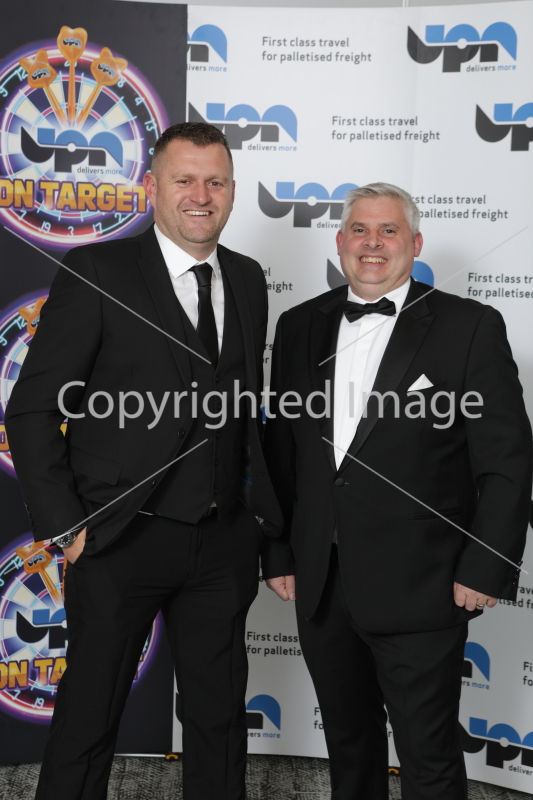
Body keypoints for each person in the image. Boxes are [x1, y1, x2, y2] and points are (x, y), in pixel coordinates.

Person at [5, 122, 282, 800]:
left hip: (222, 541)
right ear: (150, 187)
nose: (200, 195)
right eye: (184, 180)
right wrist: (69, 526)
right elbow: (32, 410)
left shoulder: (248, 278)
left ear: (233, 191)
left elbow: (247, 414)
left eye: (215, 182)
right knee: (89, 716)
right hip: (118, 538)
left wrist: (261, 527)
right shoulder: (97, 271)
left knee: (219, 720)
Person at [262, 183, 532, 800]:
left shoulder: (469, 327)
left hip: (424, 586)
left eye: (389, 231)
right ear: (340, 241)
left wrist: (486, 566)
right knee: (348, 748)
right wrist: (278, 551)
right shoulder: (299, 324)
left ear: (415, 243)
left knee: (427, 756)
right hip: (322, 583)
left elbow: (507, 460)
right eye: (360, 229)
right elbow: (283, 451)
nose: (373, 243)